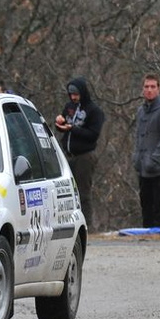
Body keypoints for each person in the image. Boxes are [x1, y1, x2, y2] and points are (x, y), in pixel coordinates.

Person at [55, 77, 105, 231]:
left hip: (85, 156)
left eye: (76, 94)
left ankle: (86, 225)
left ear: (82, 93)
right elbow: (63, 127)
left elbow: (93, 134)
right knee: (67, 192)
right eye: (71, 94)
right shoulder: (69, 107)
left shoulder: (94, 111)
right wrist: (60, 123)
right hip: (68, 155)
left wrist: (72, 129)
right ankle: (70, 224)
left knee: (83, 192)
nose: (73, 97)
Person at [133, 73, 160, 228]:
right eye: (146, 87)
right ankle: (146, 243)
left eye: (153, 86)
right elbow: (138, 137)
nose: (149, 90)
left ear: (159, 88)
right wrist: (137, 159)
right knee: (146, 207)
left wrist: (154, 160)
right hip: (143, 167)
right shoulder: (141, 111)